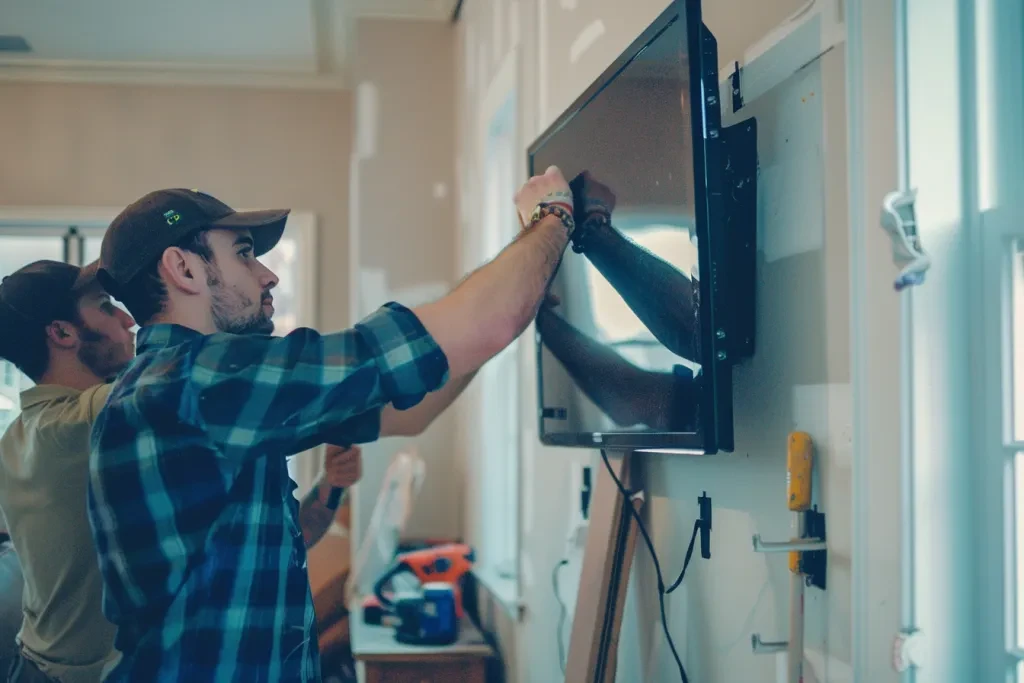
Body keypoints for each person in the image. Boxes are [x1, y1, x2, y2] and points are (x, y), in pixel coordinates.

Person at [88, 167, 575, 681]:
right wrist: (554, 216)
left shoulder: (190, 390)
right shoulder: (196, 381)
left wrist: (330, 491)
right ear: (183, 269)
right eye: (245, 253)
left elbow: (409, 413)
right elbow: (458, 332)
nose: (268, 275)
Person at [0, 260, 135, 683]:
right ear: (61, 333)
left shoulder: (20, 434)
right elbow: (176, 376)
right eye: (106, 305)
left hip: (38, 667)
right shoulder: (82, 420)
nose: (128, 319)